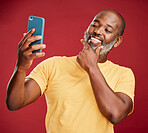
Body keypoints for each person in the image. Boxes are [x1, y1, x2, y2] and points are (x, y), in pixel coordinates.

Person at [6, 9, 135, 133]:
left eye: (107, 30)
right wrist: (21, 67)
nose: (98, 31)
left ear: (117, 41)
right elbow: (14, 103)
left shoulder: (123, 74)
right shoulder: (53, 65)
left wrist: (92, 67)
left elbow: (116, 114)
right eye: (94, 25)